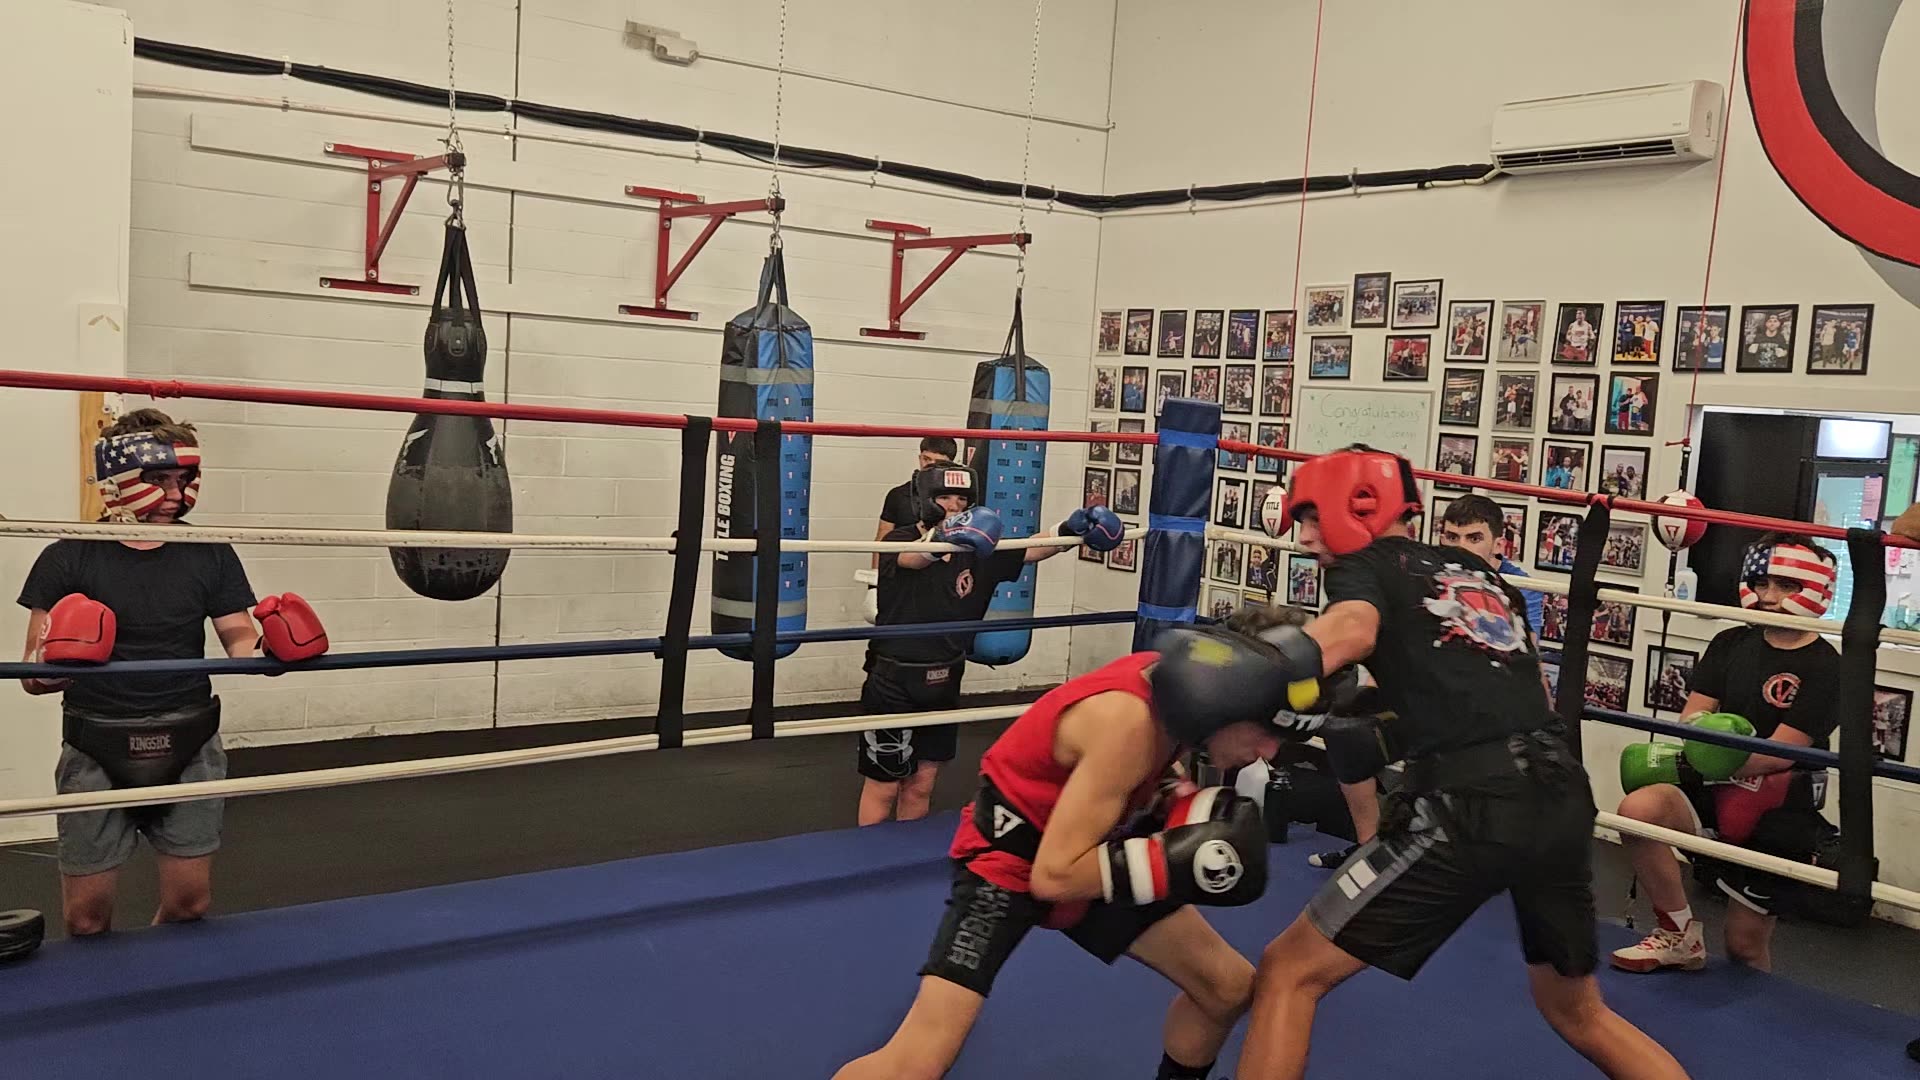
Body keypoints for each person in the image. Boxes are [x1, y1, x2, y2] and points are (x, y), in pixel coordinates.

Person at [1198, 446, 1687, 1080]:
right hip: (1562, 794)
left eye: (1314, 517)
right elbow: (1523, 691)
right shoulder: (1475, 571)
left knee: (1289, 972)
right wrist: (1386, 705)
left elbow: (1350, 630)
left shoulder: (1365, 566)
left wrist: (1236, 677)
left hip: (1471, 805)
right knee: (1577, 1012)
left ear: (1360, 506)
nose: (1308, 537)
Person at [835, 607, 1311, 1080]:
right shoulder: (1128, 721)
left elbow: (1140, 767)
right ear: (1226, 700)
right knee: (917, 1061)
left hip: (1092, 847)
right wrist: (1170, 860)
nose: (1269, 751)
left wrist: (1173, 793)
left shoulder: (1179, 693)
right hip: (1010, 863)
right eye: (1265, 730)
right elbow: (1053, 876)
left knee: (1225, 988)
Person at [16, 410, 330, 936]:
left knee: (189, 906)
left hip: (190, 737)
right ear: (117, 482)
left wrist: (277, 651)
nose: (175, 495)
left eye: (184, 480)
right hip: (98, 741)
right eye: (159, 479)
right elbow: (30, 672)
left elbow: (238, 642)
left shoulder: (206, 551)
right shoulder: (67, 555)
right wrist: (60, 664)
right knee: (86, 919)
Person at [1610, 535, 1840, 974]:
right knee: (1637, 811)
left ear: (1815, 589)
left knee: (1743, 947)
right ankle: (1678, 933)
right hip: (1714, 785)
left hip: (1776, 805)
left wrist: (1711, 755)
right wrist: (1705, 749)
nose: (1770, 598)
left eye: (1787, 586)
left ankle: (1753, 1032)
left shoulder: (1828, 666)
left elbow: (1781, 752)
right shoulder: (1731, 641)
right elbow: (1693, 715)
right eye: (1762, 583)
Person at [855, 462, 1124, 826]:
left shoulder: (980, 551)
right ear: (924, 500)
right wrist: (944, 538)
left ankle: (902, 862)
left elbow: (1030, 550)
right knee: (884, 786)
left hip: (946, 677)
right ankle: (866, 862)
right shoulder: (899, 539)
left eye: (960, 499)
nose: (952, 505)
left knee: (921, 784)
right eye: (944, 497)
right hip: (893, 680)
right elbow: (912, 559)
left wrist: (1068, 531)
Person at [864, 438, 960, 622]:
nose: (928, 465)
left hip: (941, 578)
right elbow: (882, 538)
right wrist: (874, 583)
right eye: (926, 459)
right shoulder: (899, 495)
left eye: (938, 463)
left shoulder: (957, 501)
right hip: (902, 574)